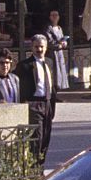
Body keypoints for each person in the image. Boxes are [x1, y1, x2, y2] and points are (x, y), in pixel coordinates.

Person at [18, 33, 58, 161]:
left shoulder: (49, 63)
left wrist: (51, 104)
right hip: (34, 104)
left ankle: (41, 166)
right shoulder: (25, 65)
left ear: (46, 48)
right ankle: (34, 167)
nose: (39, 50)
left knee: (46, 137)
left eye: (41, 47)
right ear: (32, 47)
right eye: (36, 47)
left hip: (47, 104)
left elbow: (52, 84)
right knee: (37, 138)